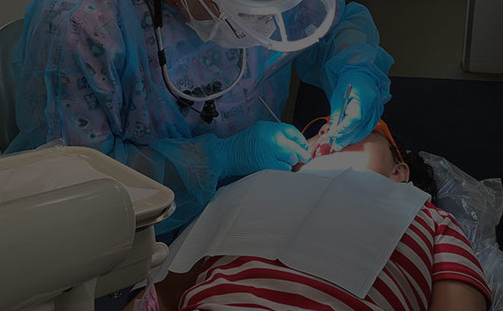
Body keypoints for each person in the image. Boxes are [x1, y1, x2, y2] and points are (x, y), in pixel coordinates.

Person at [8, 0, 394, 237]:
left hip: (251, 208)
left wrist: (356, 69)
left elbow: (331, 26)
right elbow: (83, 186)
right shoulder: (80, 24)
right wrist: (219, 160)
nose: (264, 24)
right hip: (140, 237)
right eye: (246, 12)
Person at [124, 118, 492, 311]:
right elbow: (160, 298)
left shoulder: (430, 219)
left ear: (399, 172)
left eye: (358, 131)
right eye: (320, 133)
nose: (331, 132)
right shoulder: (250, 189)